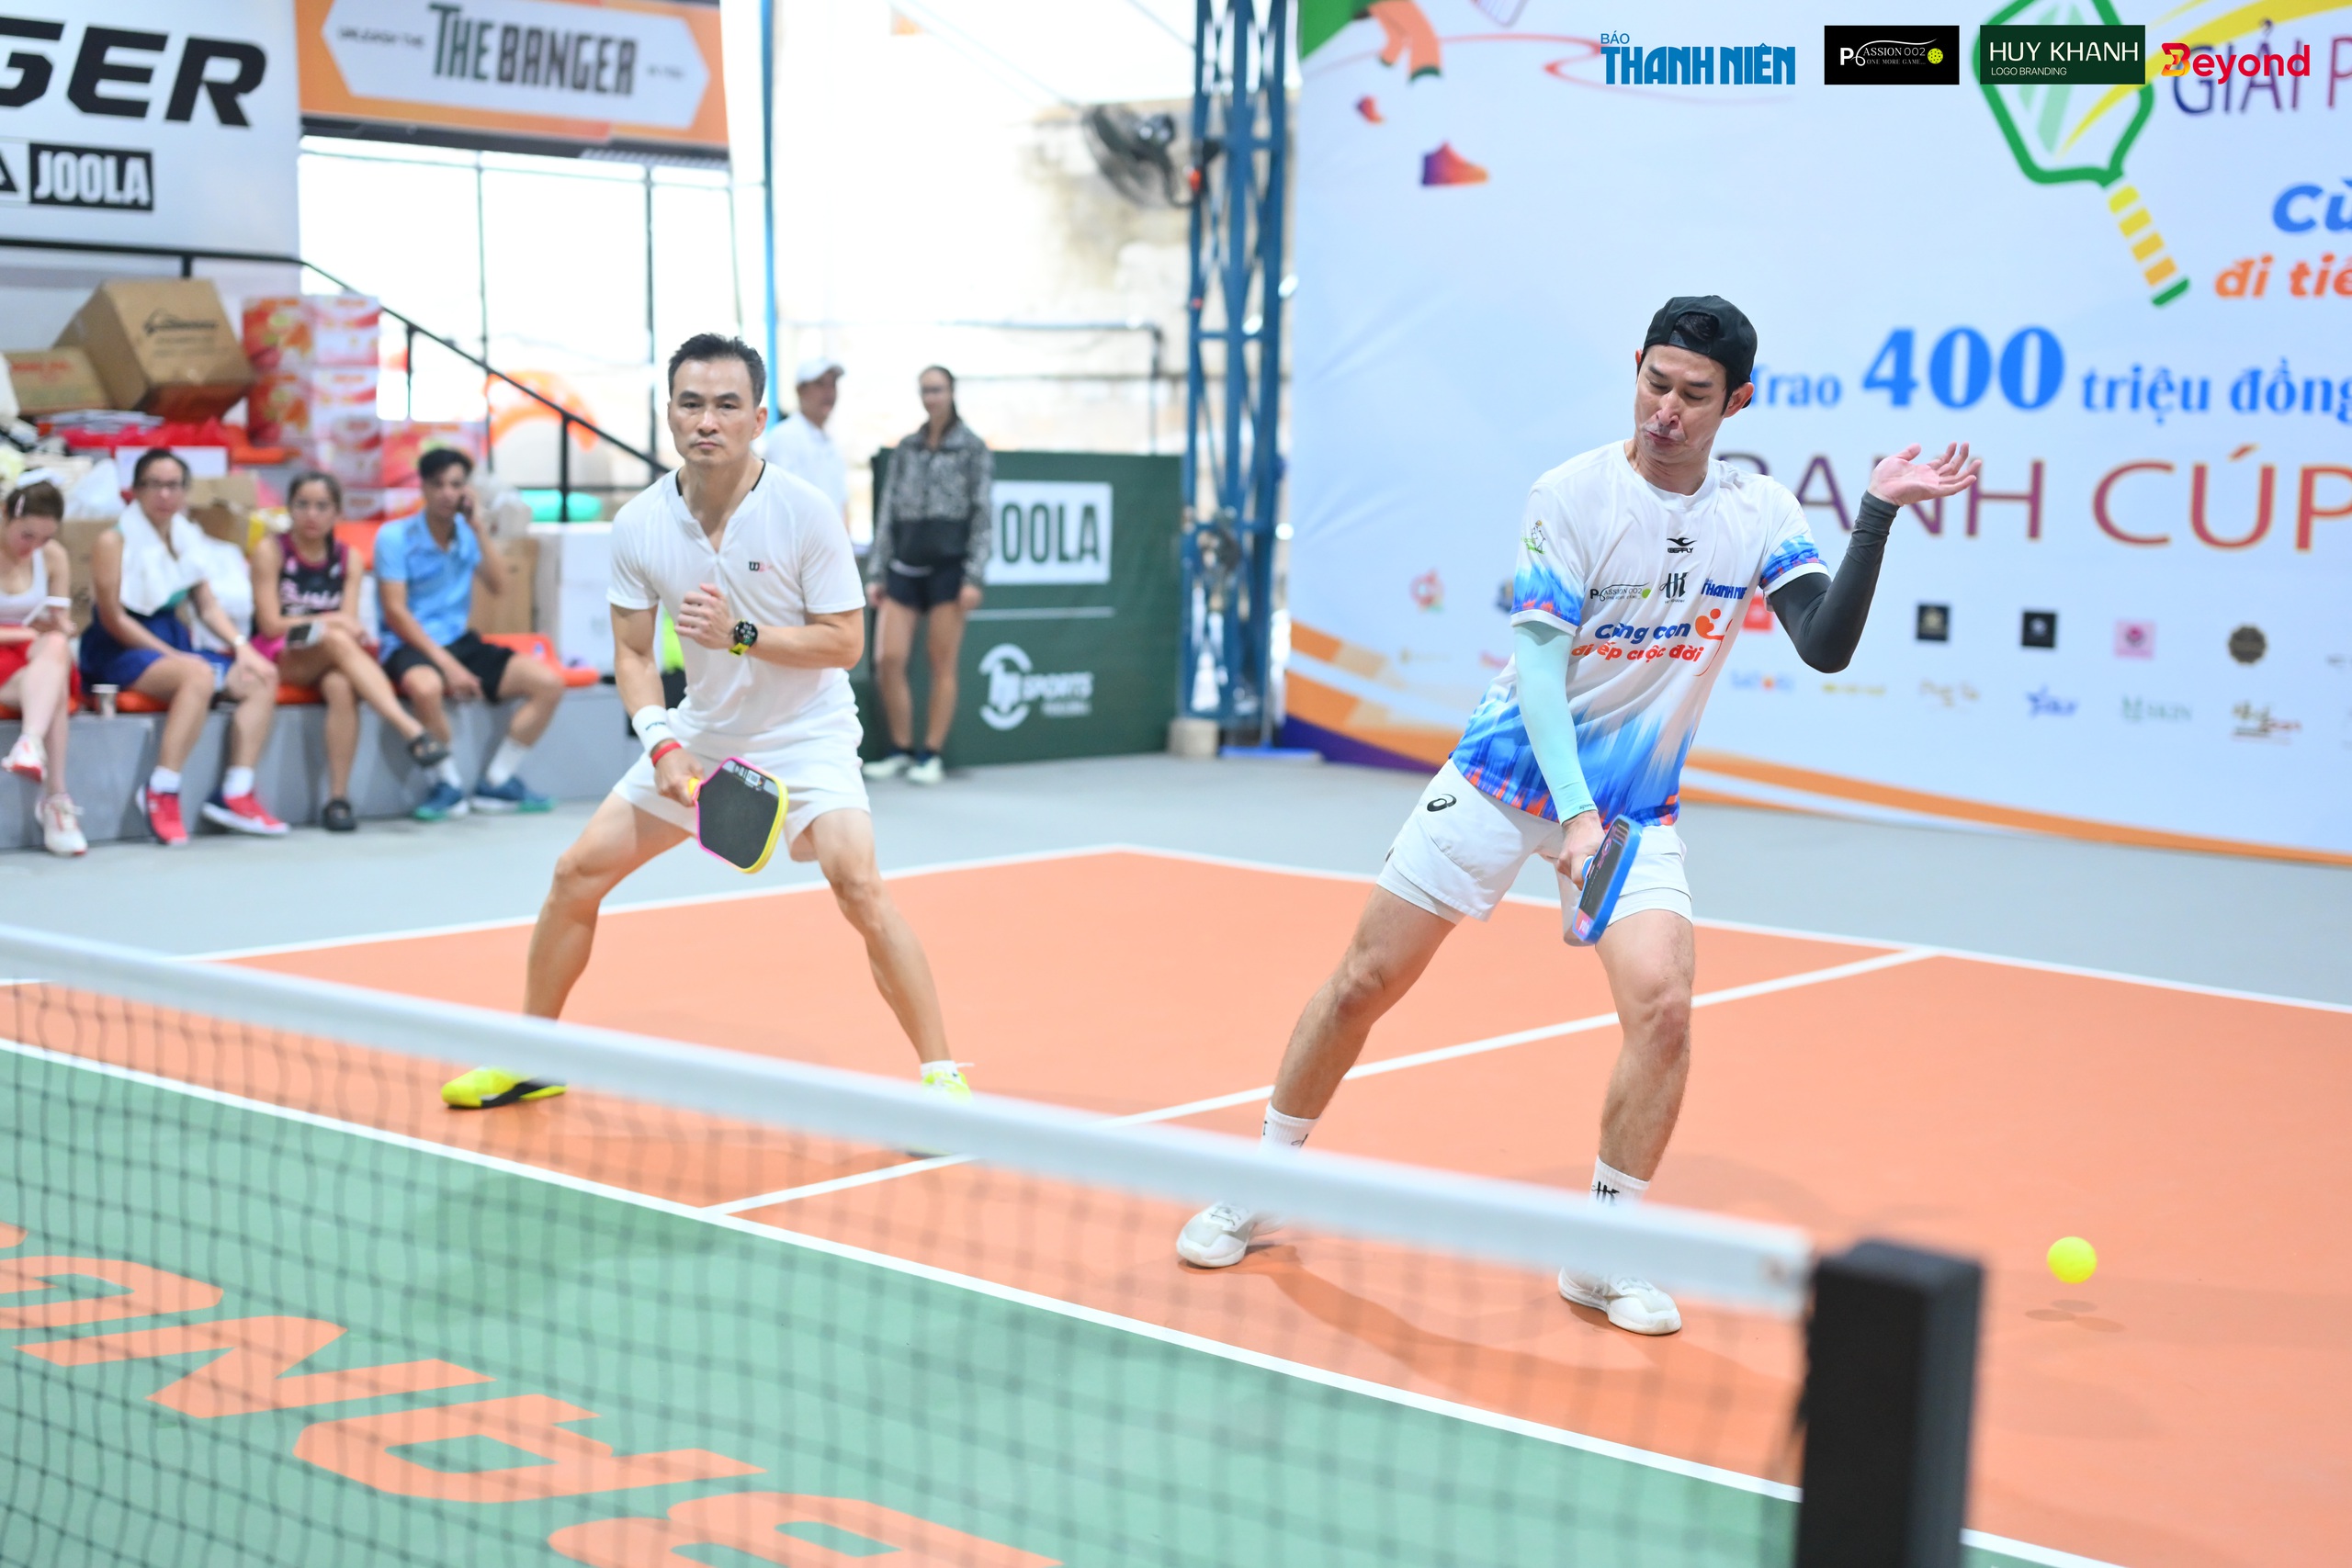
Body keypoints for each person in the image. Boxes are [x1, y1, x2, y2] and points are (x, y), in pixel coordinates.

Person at [1171, 297, 1983, 1335]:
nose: (1665, 411)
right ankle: (1264, 1177)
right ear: (1635, 369)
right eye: (1654, 382)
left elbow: (1823, 643)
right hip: (1509, 775)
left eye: (1693, 395)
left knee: (1666, 1011)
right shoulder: (1573, 495)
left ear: (1737, 401)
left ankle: (1602, 1253)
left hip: (1635, 805)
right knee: (1363, 984)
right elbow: (1540, 675)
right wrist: (1575, 815)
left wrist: (1874, 512)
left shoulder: (1759, 513)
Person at [439, 334, 967, 1111]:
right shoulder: (641, 522)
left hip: (807, 732)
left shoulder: (803, 511)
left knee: (858, 883)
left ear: (757, 417)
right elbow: (630, 650)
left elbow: (846, 642)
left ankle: (942, 1077)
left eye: (726, 405)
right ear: (670, 414)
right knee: (574, 875)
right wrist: (661, 741)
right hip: (705, 732)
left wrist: (742, 635)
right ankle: (532, 1054)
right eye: (691, 403)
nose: (707, 420)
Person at [80, 449, 288, 845]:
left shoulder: (186, 536)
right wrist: (172, 655)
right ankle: (162, 787)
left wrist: (242, 646)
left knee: (262, 675)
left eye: (173, 485)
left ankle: (236, 791)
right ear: (135, 491)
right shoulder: (114, 540)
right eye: (155, 485)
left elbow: (207, 606)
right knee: (198, 673)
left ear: (185, 492)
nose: (165, 494)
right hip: (120, 647)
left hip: (172, 644)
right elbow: (113, 618)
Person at [250, 471, 450, 831]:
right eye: (303, 505)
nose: (311, 514)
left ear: (337, 513)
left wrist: (333, 623)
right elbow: (270, 624)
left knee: (342, 684)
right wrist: (328, 619)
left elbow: (351, 621)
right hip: (278, 653)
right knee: (335, 638)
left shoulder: (348, 558)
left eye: (322, 506)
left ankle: (337, 799)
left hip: (328, 652)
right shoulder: (271, 551)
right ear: (289, 509)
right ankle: (411, 731)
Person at [375, 447, 562, 820]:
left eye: (456, 484)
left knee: (549, 683)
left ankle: (497, 780)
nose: (448, 492)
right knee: (426, 687)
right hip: (409, 643)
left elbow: (499, 585)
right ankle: (446, 783)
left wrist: (479, 529)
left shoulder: (466, 534)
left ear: (466, 491)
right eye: (439, 484)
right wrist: (449, 668)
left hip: (459, 641)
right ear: (424, 488)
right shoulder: (394, 537)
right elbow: (396, 613)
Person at [863, 365, 991, 786]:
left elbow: (983, 514)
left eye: (937, 389)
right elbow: (887, 512)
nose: (931, 397)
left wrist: (973, 575)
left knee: (942, 662)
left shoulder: (972, 448)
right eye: (925, 391)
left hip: (949, 568)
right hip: (904, 562)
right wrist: (878, 570)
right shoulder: (907, 448)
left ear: (952, 391)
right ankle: (899, 748)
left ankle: (930, 753)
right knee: (888, 659)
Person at [0, 478, 86, 855]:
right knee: (53, 685)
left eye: (43, 539)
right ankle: (56, 798)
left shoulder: (52, 557)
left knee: (56, 646)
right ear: (5, 517)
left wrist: (61, 627)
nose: (33, 547)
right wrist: (22, 634)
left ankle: (30, 744)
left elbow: (59, 620)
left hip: (33, 660)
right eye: (26, 536)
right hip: (10, 655)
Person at [755, 355, 850, 530]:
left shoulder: (830, 442)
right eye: (820, 384)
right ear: (800, 390)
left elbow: (841, 502)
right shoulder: (784, 437)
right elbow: (785, 506)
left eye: (833, 384)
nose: (829, 392)